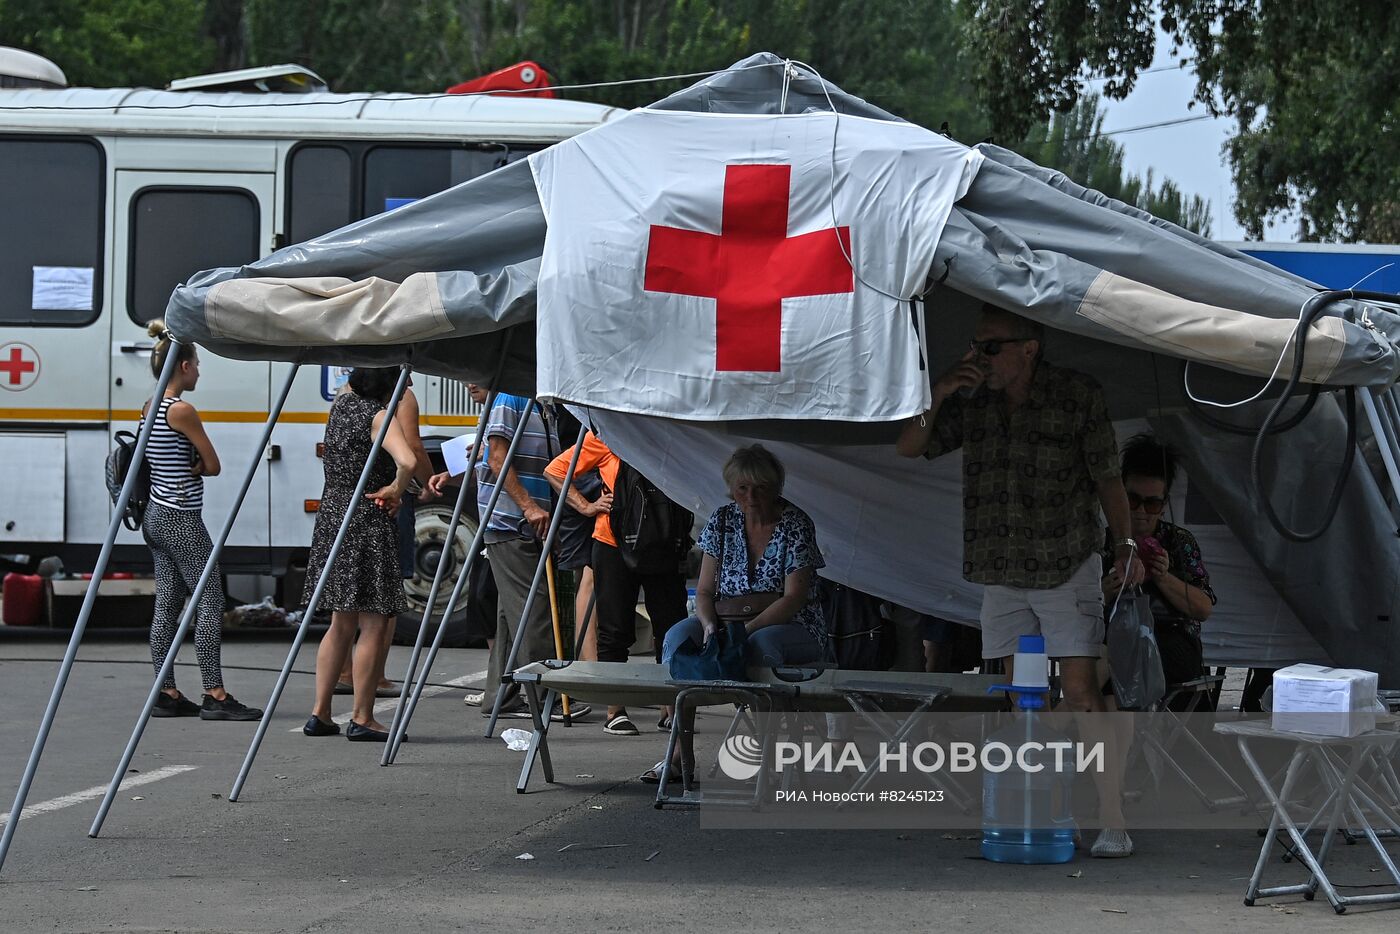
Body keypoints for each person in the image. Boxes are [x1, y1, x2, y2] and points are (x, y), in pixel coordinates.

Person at [895, 303, 1141, 857]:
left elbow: (1108, 479)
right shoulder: (972, 401)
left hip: (1064, 561)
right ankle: (1049, 808)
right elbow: (909, 446)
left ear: (1029, 348)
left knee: (1079, 692)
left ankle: (1112, 818)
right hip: (1001, 571)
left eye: (991, 346)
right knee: (1024, 699)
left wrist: (1125, 547)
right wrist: (938, 392)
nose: (979, 357)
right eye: (977, 346)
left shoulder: (1076, 395)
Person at [643, 444, 826, 783]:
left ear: (776, 488)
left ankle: (765, 753)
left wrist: (745, 629)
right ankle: (680, 754)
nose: (752, 495)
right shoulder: (723, 519)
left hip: (790, 625)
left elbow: (794, 598)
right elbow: (705, 592)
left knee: (762, 645)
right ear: (732, 488)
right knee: (677, 637)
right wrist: (711, 626)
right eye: (743, 487)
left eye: (761, 487)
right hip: (726, 621)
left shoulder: (796, 524)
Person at [433, 389, 591, 721]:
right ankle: (548, 695)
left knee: (511, 617)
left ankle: (500, 697)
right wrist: (530, 507)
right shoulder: (509, 399)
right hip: (512, 522)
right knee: (534, 611)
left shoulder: (540, 407)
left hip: (528, 523)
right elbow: (496, 458)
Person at [140, 320, 262, 722]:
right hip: (181, 517)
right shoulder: (182, 410)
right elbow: (212, 464)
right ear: (185, 367)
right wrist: (197, 465)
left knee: (167, 602)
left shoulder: (148, 406)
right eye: (198, 362)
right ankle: (214, 693)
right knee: (209, 599)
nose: (200, 370)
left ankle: (167, 691)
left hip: (154, 514)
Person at [546, 430, 690, 736]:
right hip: (615, 544)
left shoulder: (678, 434)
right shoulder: (608, 434)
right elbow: (556, 470)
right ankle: (615, 709)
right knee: (616, 628)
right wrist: (586, 506)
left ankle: (671, 707)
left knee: (670, 629)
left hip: (664, 542)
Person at [302, 367, 418, 742]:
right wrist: (396, 489)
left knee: (341, 621)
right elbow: (409, 460)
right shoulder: (378, 416)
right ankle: (362, 716)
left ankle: (320, 712)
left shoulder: (341, 405)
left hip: (334, 512)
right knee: (374, 622)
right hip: (367, 516)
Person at [1101, 435, 1216, 710]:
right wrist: (1105, 591)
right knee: (1101, 660)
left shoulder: (1179, 542)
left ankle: (1059, 715)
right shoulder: (1102, 542)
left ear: (1163, 506)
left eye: (1151, 504)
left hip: (1171, 641)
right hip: (1113, 639)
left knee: (1112, 663)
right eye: (1132, 500)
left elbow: (1203, 609)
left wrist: (1163, 576)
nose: (1141, 511)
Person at [335, 378, 434, 699]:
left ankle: (345, 672)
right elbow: (413, 448)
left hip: (346, 502)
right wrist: (428, 482)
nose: (412, 381)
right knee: (384, 598)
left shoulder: (344, 397)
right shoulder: (400, 399)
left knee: (348, 599)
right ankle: (374, 676)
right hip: (385, 496)